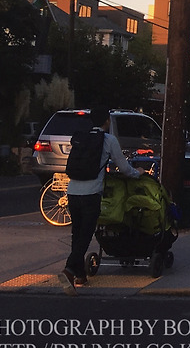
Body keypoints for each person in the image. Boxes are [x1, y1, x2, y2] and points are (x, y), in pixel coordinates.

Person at [60, 107, 141, 293]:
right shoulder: (109, 140)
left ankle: (80, 275)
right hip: (92, 193)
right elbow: (124, 168)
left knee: (77, 233)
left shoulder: (81, 138)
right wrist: (138, 173)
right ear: (107, 121)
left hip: (73, 191)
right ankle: (69, 270)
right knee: (86, 235)